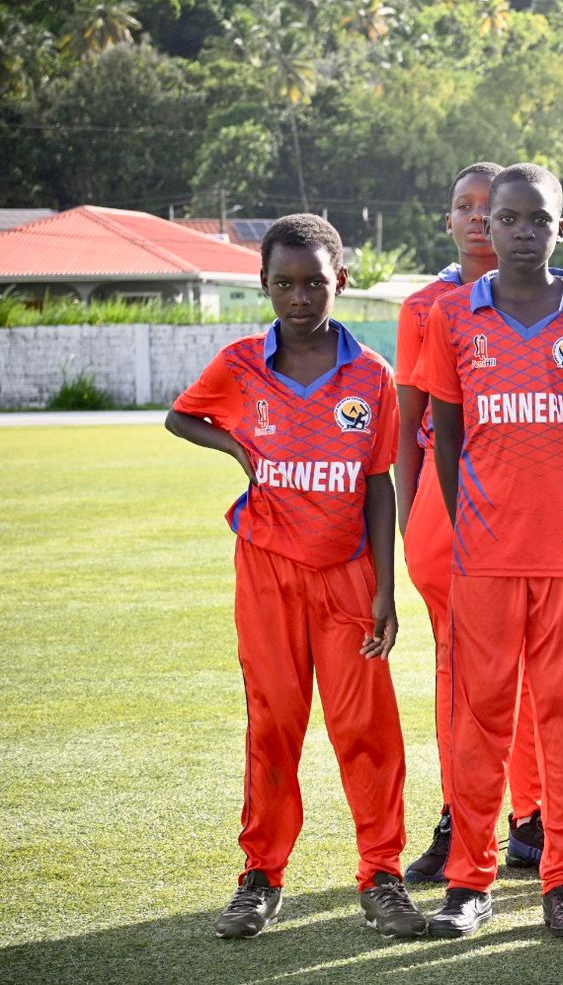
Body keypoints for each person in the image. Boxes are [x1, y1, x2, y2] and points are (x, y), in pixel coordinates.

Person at [166, 213, 425, 940]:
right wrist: (237, 451)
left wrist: (384, 588)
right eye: (285, 283)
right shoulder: (243, 363)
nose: (301, 297)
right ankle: (259, 877)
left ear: (339, 282)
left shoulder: (371, 376)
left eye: (315, 283)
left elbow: (380, 484)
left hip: (347, 574)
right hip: (267, 569)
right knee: (273, 724)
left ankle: (382, 874)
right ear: (265, 285)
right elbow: (180, 418)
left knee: (365, 729)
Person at [413, 163, 563, 939]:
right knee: (480, 721)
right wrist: (474, 510)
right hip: (485, 555)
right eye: (509, 218)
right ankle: (470, 882)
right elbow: (446, 430)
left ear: (560, 230)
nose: (523, 231)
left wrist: (551, 497)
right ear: (487, 227)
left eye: (539, 219)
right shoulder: (454, 317)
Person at [397, 161, 548, 883]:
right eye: (465, 206)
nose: (479, 218)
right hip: (448, 501)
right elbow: (409, 428)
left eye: (493, 207)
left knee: (538, 669)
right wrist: (410, 521)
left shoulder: (556, 297)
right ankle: (464, 814)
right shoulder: (426, 306)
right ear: (451, 220)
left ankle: (536, 816)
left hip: (534, 502)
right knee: (462, 673)